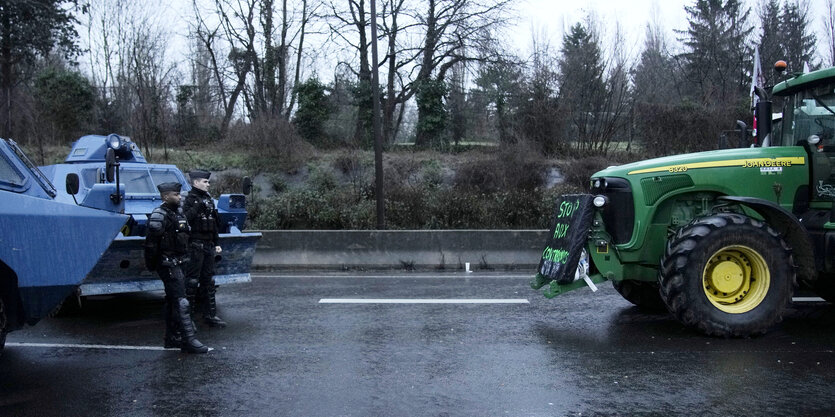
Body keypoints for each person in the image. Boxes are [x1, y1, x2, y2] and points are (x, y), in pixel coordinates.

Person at [144, 182, 208, 354]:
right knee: (182, 301)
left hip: (180, 261)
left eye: (179, 194)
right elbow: (151, 245)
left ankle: (173, 338)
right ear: (165, 196)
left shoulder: (178, 213)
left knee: (174, 301)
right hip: (168, 263)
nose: (180, 197)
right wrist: (153, 264)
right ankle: (188, 340)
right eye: (176, 195)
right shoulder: (159, 215)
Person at [183, 170, 227, 327]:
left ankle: (210, 315)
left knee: (208, 281)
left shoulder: (208, 199)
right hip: (195, 245)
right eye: (205, 182)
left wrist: (217, 242)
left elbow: (214, 224)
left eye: (208, 182)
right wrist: (197, 206)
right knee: (192, 281)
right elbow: (185, 219)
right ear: (196, 183)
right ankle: (188, 319)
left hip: (208, 245)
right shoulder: (189, 199)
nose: (208, 184)